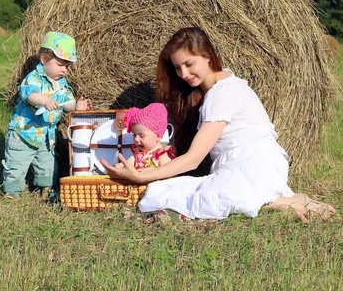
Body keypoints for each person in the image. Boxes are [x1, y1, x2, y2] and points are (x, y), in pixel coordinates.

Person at [102, 27, 337, 223]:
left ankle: (288, 202)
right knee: (170, 192)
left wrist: (143, 177)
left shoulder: (224, 93)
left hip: (253, 165)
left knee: (196, 199)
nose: (183, 73)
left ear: (208, 56)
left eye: (189, 64)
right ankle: (281, 202)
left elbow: (194, 159)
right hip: (241, 166)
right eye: (176, 67)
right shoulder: (216, 90)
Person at [3, 31, 92, 200]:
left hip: (46, 137)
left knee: (48, 165)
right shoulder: (34, 78)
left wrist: (77, 107)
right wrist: (44, 101)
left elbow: (67, 104)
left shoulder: (62, 85)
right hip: (23, 134)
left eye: (67, 66)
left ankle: (47, 188)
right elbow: (30, 96)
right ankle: (12, 190)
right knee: (17, 163)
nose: (65, 70)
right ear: (44, 59)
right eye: (60, 64)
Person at [115, 103, 175, 170]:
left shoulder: (162, 153)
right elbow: (128, 164)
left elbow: (166, 172)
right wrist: (120, 166)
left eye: (141, 136)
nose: (136, 139)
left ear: (158, 136)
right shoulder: (137, 152)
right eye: (134, 134)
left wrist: (150, 171)